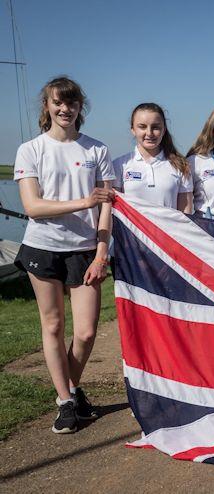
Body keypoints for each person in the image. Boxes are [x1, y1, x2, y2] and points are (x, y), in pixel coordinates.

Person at [13, 77, 115, 433]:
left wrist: (102, 251)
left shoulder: (96, 150)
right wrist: (84, 201)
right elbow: (32, 207)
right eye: (58, 103)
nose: (65, 109)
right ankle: (65, 402)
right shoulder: (30, 149)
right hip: (43, 247)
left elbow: (107, 209)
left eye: (72, 104)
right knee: (53, 325)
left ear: (79, 108)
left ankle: (71, 388)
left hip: (85, 251)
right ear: (48, 106)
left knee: (86, 332)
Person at [112, 103, 192, 211]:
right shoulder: (119, 165)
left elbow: (186, 215)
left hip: (167, 228)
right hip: (129, 228)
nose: (149, 133)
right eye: (142, 127)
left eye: (155, 127)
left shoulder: (180, 165)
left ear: (164, 130)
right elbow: (115, 210)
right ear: (133, 130)